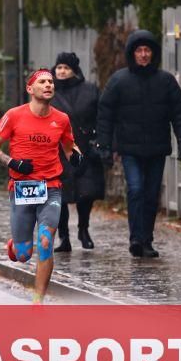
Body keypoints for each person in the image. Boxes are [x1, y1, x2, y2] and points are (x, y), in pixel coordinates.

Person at [0, 69, 82, 305]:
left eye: (51, 81)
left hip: (51, 187)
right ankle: (15, 246)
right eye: (42, 82)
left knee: (46, 242)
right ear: (30, 89)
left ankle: (37, 301)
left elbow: (70, 147)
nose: (48, 85)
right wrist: (12, 162)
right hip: (22, 188)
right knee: (23, 254)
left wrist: (77, 156)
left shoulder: (62, 119)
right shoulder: (14, 115)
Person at [96, 30, 181, 258]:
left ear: (153, 53)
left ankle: (146, 239)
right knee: (136, 189)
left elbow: (179, 113)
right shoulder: (119, 81)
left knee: (151, 194)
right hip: (130, 149)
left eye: (147, 50)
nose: (144, 54)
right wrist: (104, 145)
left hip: (157, 148)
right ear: (132, 53)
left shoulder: (165, 81)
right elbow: (105, 115)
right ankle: (136, 238)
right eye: (139, 50)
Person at [51, 52, 105, 252]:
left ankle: (84, 229)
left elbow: (100, 116)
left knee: (86, 193)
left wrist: (99, 141)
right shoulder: (48, 91)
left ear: (74, 70)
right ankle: (64, 237)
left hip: (84, 149)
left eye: (66, 68)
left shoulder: (89, 90)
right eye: (59, 67)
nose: (62, 71)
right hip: (56, 151)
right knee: (59, 196)